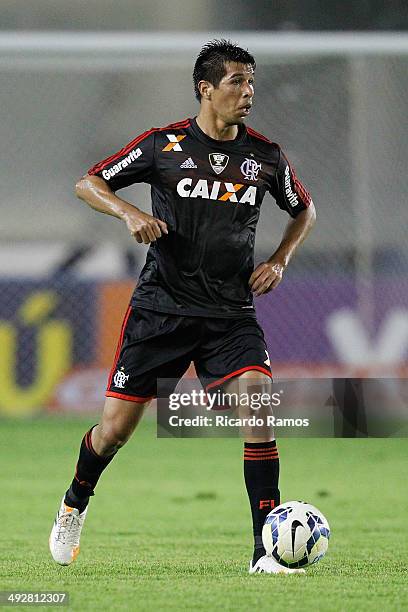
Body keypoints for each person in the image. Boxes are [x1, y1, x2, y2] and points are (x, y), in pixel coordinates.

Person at [49, 39, 316, 575]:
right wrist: (127, 213)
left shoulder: (264, 156)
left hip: (230, 314)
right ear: (206, 88)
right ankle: (74, 504)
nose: (249, 92)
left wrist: (281, 259)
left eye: (252, 81)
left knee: (258, 410)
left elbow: (304, 208)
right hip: (162, 310)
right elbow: (88, 183)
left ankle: (266, 551)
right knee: (114, 432)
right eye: (238, 81)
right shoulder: (162, 145)